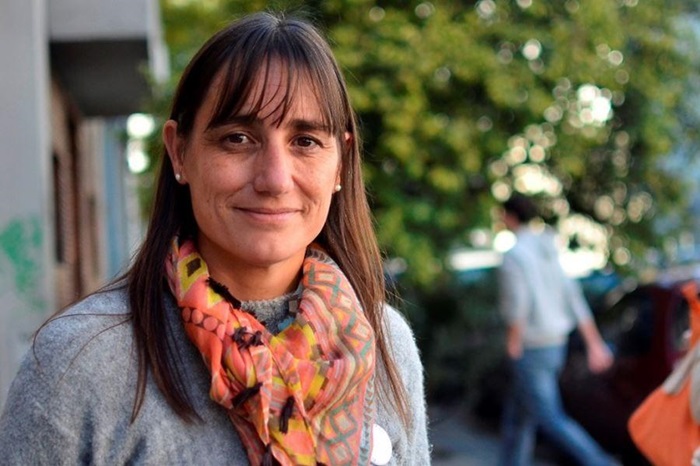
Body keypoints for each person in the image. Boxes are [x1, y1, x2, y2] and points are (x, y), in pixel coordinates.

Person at [0, 12, 430, 465]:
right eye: (238, 138)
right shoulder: (81, 363)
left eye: (305, 141)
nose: (275, 179)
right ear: (179, 152)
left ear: (340, 162)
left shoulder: (385, 346)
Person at [497, 193, 615, 466]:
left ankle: (601, 463)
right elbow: (574, 298)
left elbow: (518, 305)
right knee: (518, 417)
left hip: (532, 347)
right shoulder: (548, 250)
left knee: (550, 417)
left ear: (510, 216)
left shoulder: (515, 255)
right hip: (555, 345)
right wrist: (594, 343)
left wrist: (512, 344)